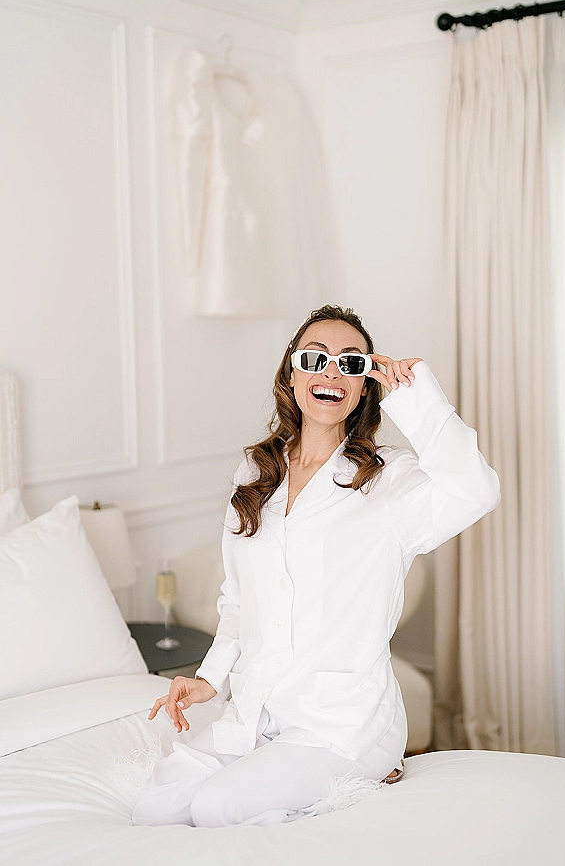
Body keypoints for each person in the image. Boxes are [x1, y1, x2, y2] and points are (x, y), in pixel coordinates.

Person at [132, 305, 500, 828]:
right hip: (257, 709)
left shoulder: (390, 484)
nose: (331, 371)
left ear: (364, 385)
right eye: (316, 358)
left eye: (351, 363)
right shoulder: (255, 473)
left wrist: (415, 396)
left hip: (341, 723)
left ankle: (372, 769)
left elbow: (477, 490)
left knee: (217, 808)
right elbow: (238, 601)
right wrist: (210, 679)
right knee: (156, 809)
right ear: (292, 373)